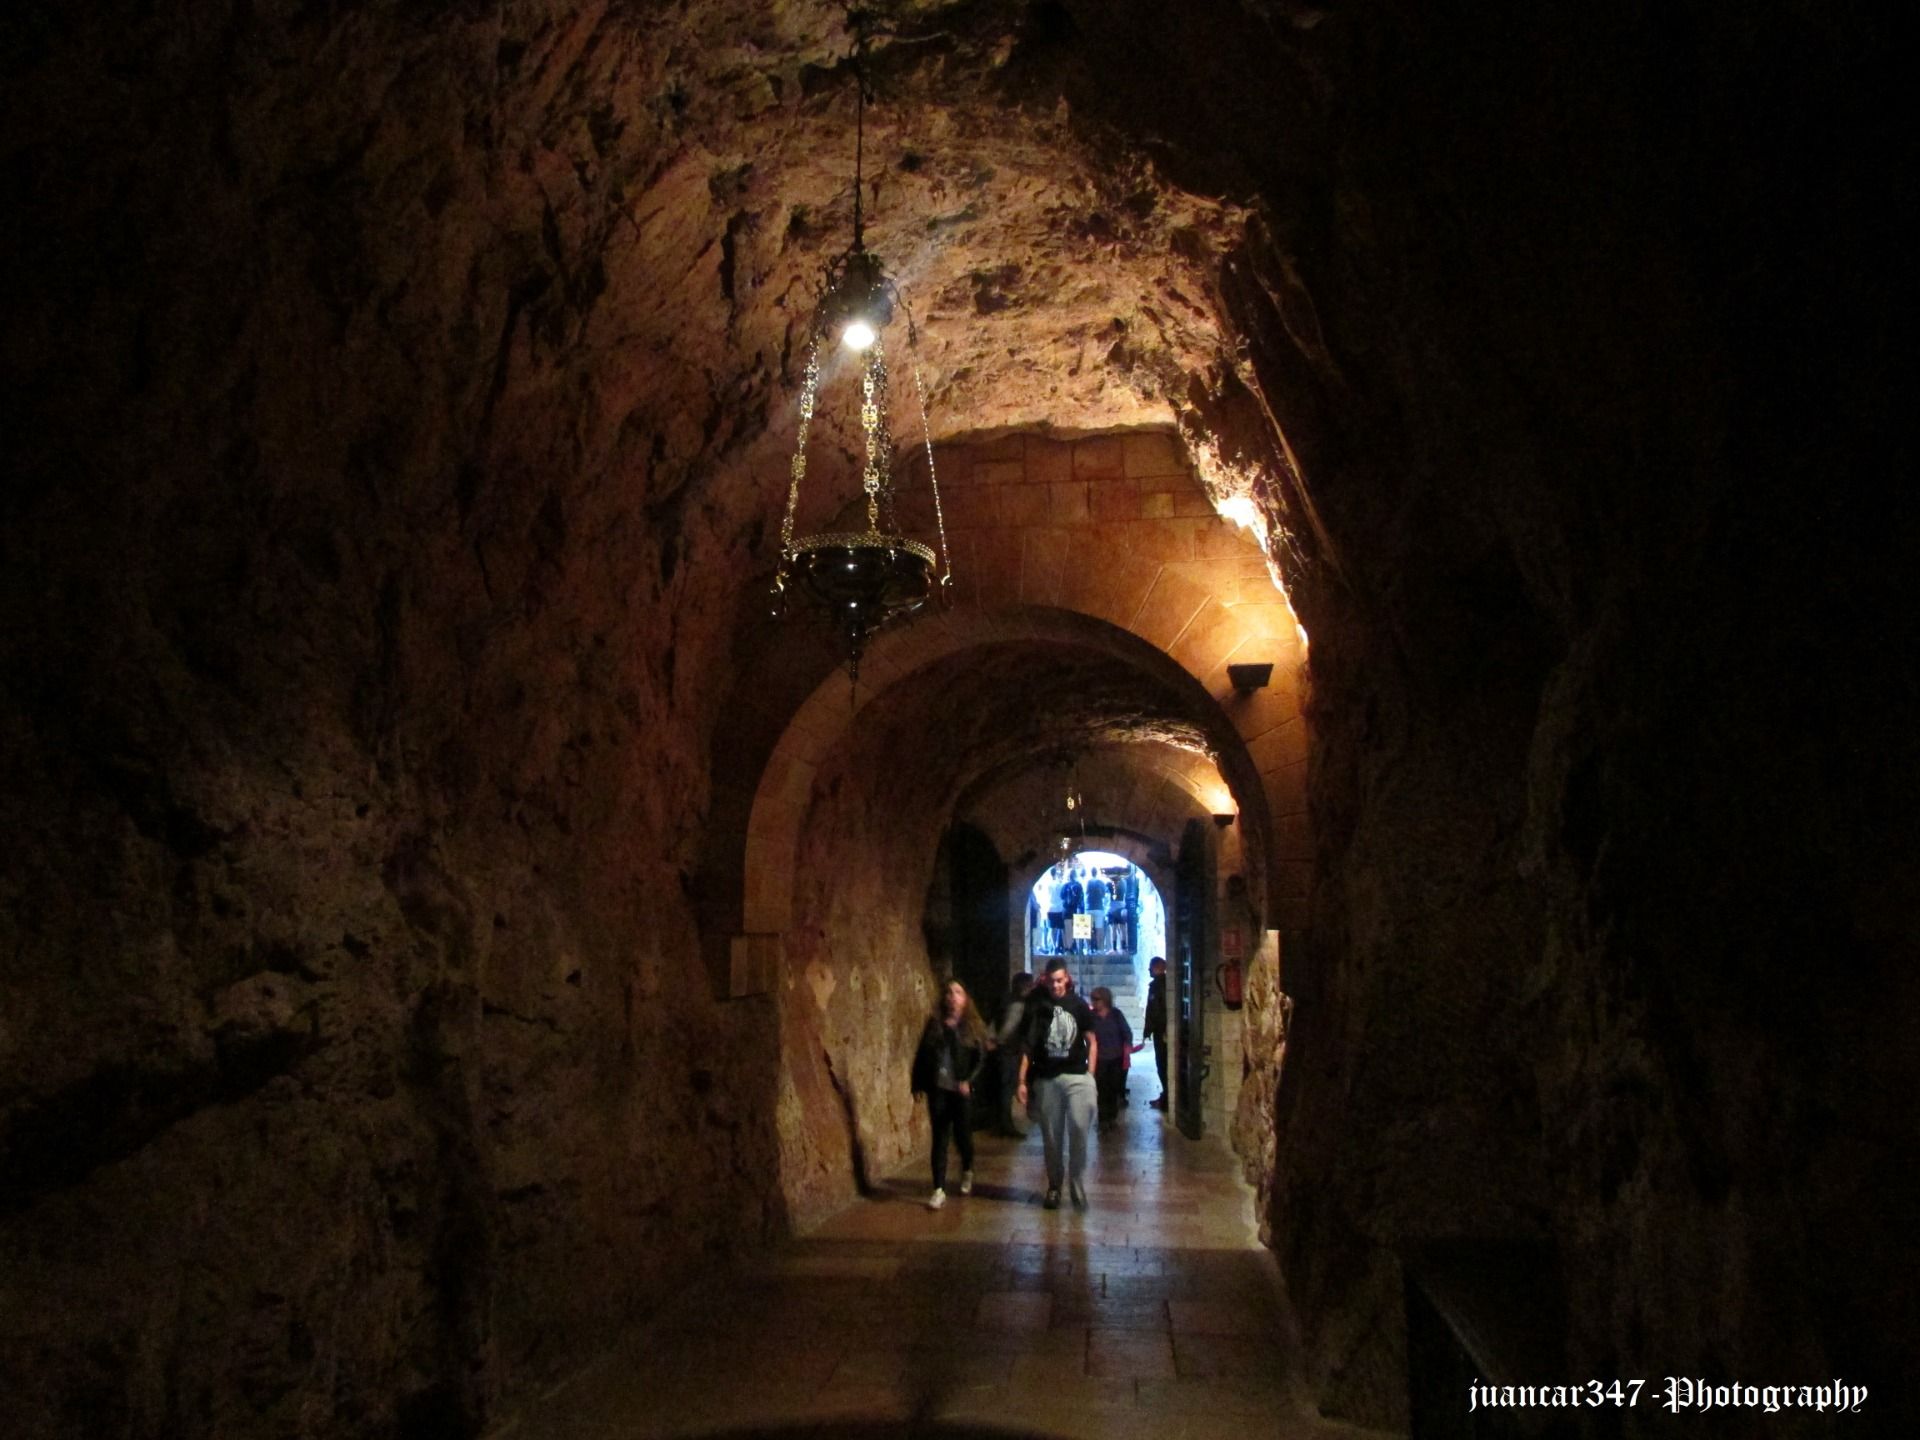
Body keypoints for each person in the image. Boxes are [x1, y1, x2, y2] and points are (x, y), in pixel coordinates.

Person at [1017, 958, 1098, 1210]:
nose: (1056, 985)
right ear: (1046, 980)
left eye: (1060, 980)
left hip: (1076, 1076)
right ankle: (1054, 1185)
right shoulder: (1037, 1007)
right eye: (1052, 981)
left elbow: (1091, 1040)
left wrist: (1091, 1075)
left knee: (1079, 1128)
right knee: (1052, 1137)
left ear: (1067, 979)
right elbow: (1028, 1047)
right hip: (1047, 1078)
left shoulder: (1078, 1005)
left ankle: (1077, 1182)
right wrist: (1021, 1080)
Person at [911, 979, 987, 1209]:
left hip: (960, 1091)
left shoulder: (971, 1027)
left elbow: (980, 1059)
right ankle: (938, 1189)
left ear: (965, 999)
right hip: (939, 1089)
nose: (953, 996)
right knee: (940, 1138)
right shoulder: (935, 1024)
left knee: (963, 1137)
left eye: (958, 992)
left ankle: (967, 1169)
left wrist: (968, 1081)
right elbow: (922, 1054)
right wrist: (917, 1083)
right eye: (949, 992)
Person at [995, 972, 1035, 1135]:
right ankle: (1006, 1125)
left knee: (1007, 1088)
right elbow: (1008, 1028)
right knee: (1008, 1088)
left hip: (1007, 1050)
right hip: (1011, 1050)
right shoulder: (1018, 1004)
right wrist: (999, 1040)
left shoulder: (1006, 1000)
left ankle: (1005, 1123)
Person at [1088, 986, 1134, 1130]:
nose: (1094, 1002)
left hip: (1116, 1057)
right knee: (1101, 1090)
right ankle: (1103, 1119)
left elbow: (1126, 1032)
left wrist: (1127, 1047)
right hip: (1100, 1058)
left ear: (1105, 999)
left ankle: (1112, 1117)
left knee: (1113, 1089)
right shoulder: (1091, 1017)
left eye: (1097, 999)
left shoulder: (1116, 1015)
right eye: (1092, 999)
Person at [1142, 956, 1168, 1109]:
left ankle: (1167, 1098)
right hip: (1160, 1030)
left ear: (1158, 968)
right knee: (1162, 1065)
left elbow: (1156, 1010)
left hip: (1162, 1032)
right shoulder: (1159, 985)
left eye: (1151, 967)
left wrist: (1154, 1028)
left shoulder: (1159, 986)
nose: (1149, 970)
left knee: (1163, 1064)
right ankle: (1166, 1096)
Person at [1058, 868, 1084, 955]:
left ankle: (1069, 948)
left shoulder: (1065, 886)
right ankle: (1076, 947)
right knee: (1077, 930)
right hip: (1076, 910)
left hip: (1067, 910)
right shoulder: (1079, 885)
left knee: (1068, 930)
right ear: (1075, 875)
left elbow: (1061, 896)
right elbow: (1081, 898)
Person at [1086, 869, 1110, 951]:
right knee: (1099, 928)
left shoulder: (1088, 882)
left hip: (1089, 908)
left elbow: (1086, 893)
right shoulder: (1101, 882)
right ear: (1097, 873)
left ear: (1091, 873)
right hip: (1099, 908)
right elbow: (1103, 895)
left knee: (1088, 929)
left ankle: (1089, 947)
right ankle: (1099, 948)